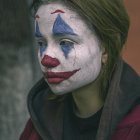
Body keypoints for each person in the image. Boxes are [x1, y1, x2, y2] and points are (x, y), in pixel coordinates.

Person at [19, 0, 140, 140]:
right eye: (41, 43)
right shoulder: (40, 120)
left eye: (65, 42)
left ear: (106, 48)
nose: (46, 59)